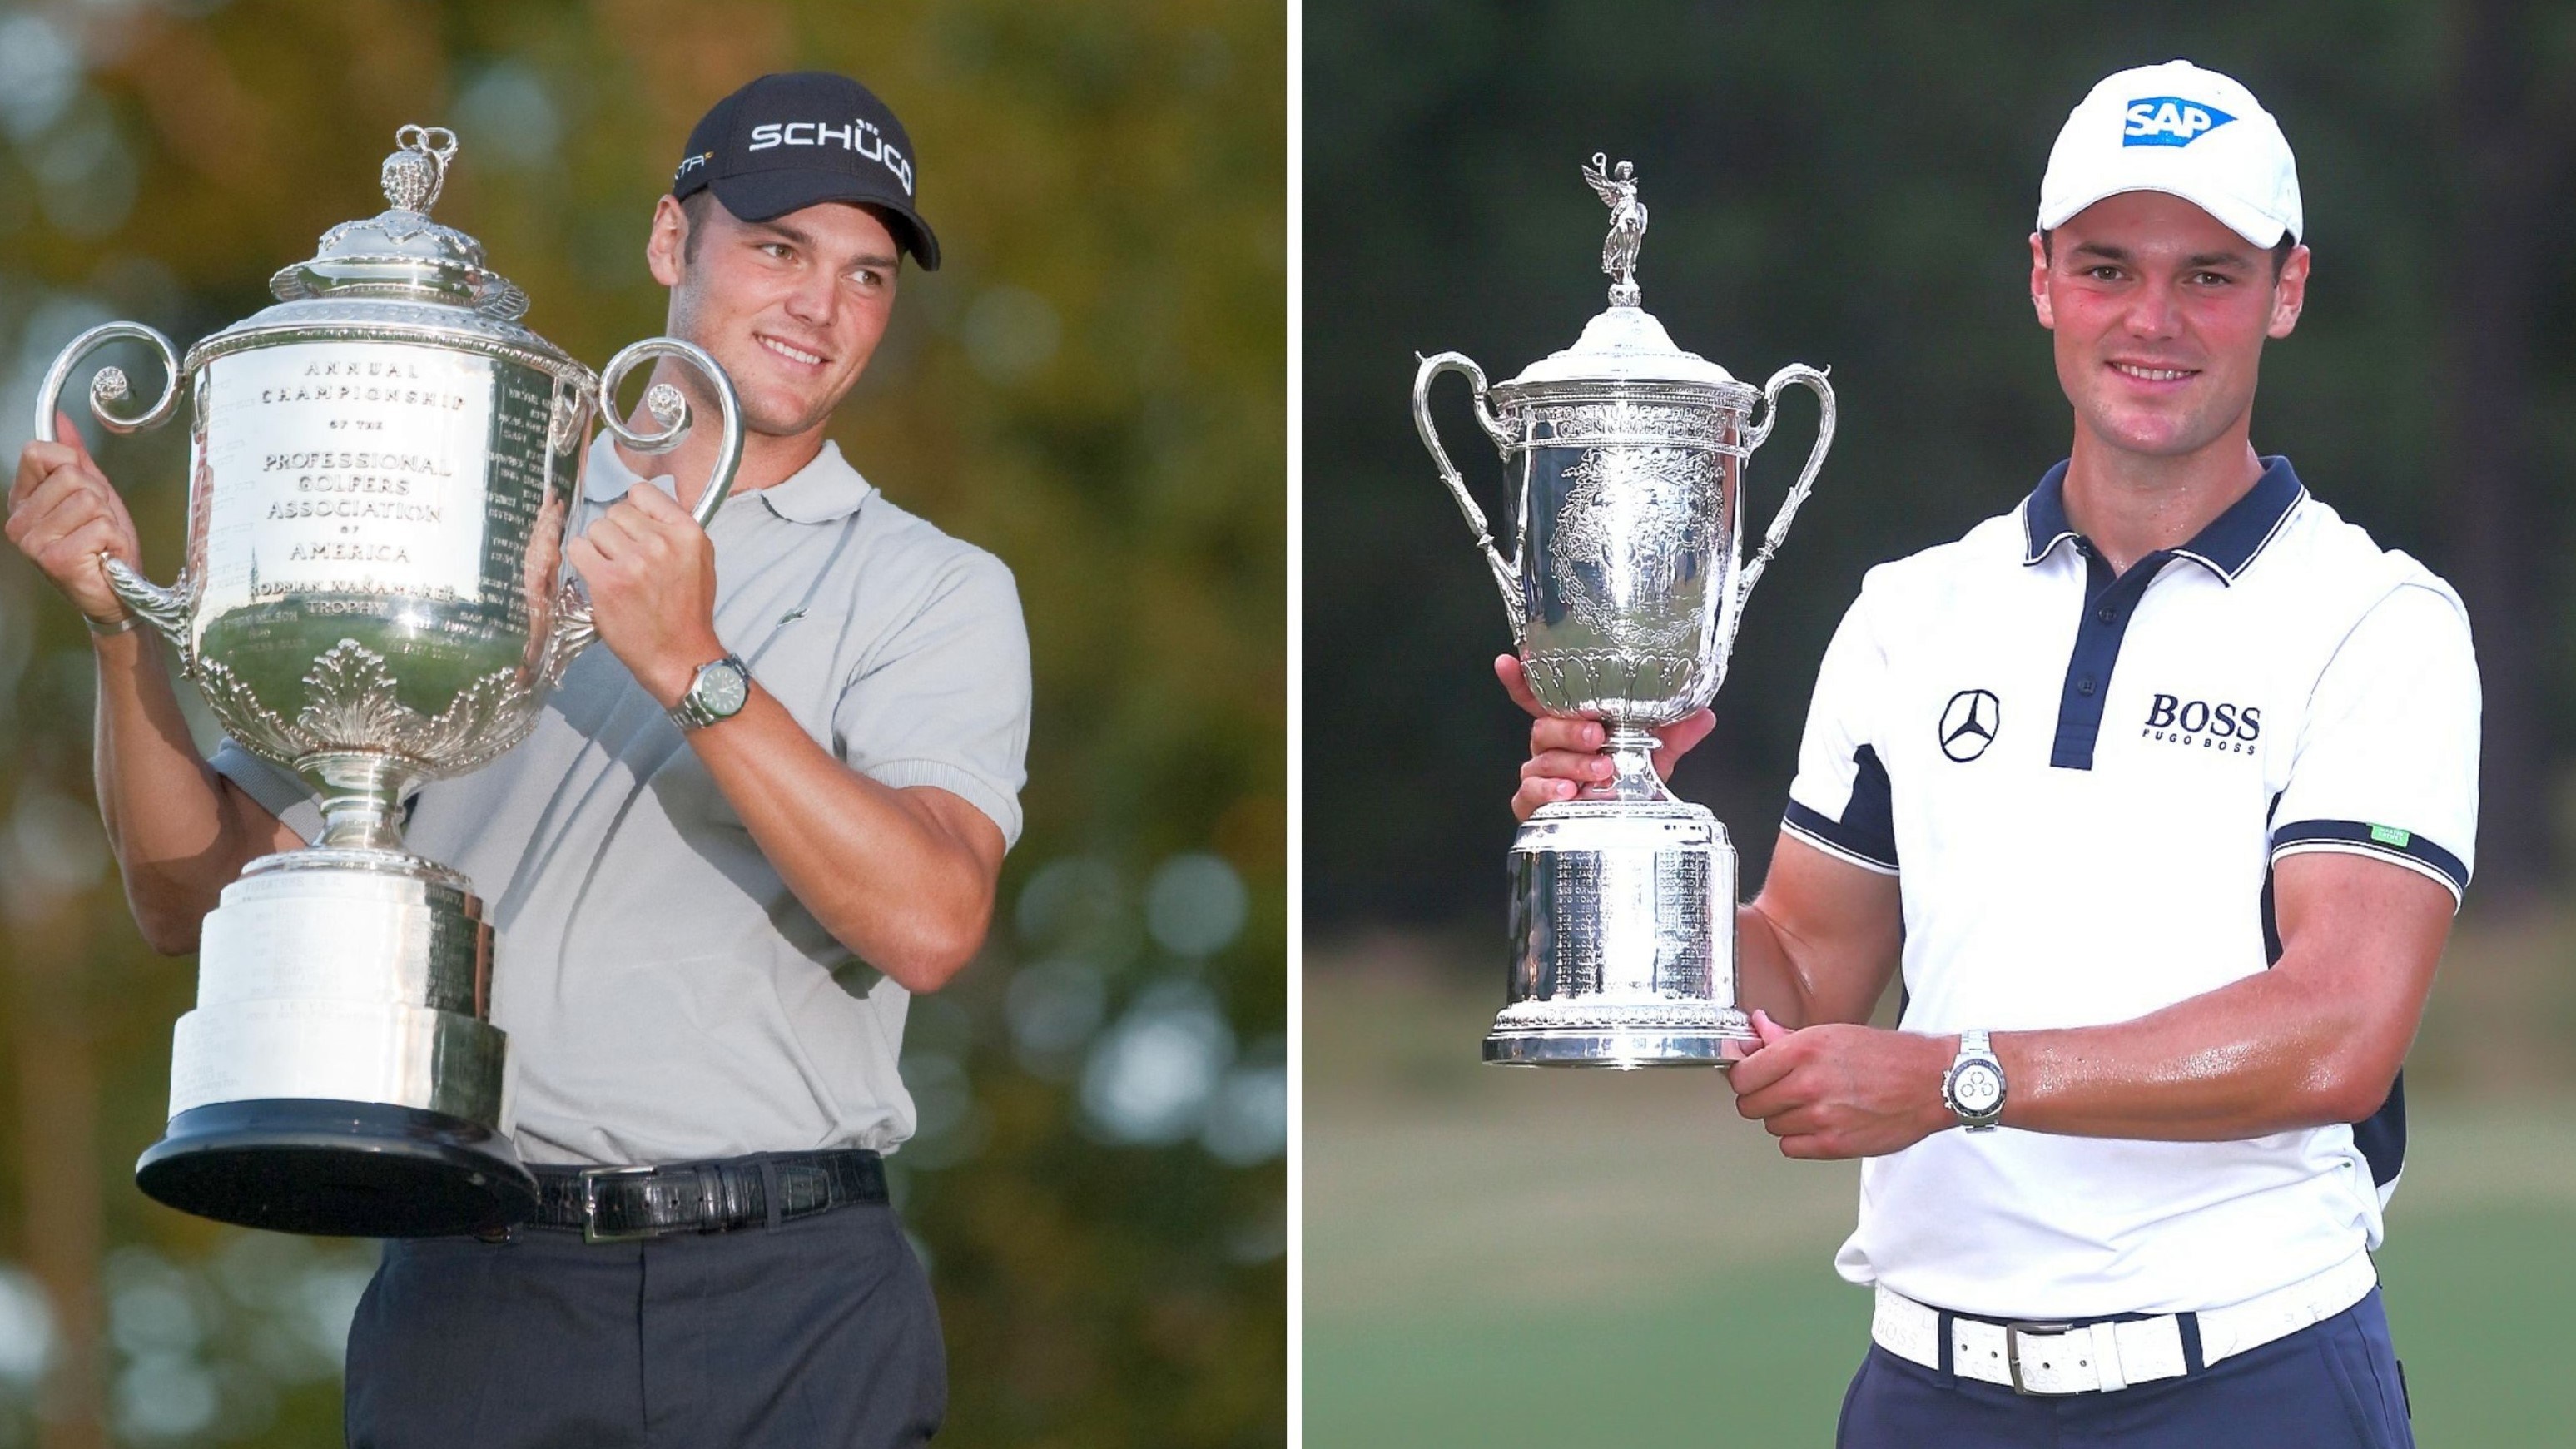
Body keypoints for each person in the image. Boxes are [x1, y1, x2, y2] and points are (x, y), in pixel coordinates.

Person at [7, 71, 1025, 1448]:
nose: (819, 309)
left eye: (864, 275)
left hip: (794, 1295)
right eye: (778, 249)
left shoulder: (933, 587)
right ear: (675, 243)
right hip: (482, 1286)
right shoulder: (475, 508)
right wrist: (123, 634)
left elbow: (931, 921)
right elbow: (189, 899)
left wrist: (693, 667)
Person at [1505, 60, 2470, 1447]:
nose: (2153, 318)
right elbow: (1803, 976)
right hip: (1929, 1393)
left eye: (2209, 273)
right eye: (2106, 267)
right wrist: (1635, 828)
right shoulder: (1913, 611)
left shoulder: (2379, 620)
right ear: (2042, 280)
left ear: (2288, 288)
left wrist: (1957, 1074)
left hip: (2252, 1378)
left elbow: (2338, 1035)